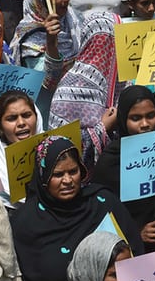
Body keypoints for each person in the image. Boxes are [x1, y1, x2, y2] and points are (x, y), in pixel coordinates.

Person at [12, 137, 143, 281]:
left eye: (73, 171)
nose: (68, 180)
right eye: (57, 174)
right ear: (43, 176)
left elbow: (136, 255)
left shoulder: (103, 202)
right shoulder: (26, 223)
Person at [92, 85, 155, 244]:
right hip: (133, 251)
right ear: (123, 120)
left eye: (150, 115)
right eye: (136, 118)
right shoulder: (110, 162)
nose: (145, 124)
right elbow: (102, 217)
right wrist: (137, 233)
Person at [48, 12, 123, 172]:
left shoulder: (123, 83)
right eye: (102, 43)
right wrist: (103, 128)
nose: (109, 51)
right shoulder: (69, 89)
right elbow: (58, 145)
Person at [0, 90, 44, 208]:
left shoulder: (55, 148)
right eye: (12, 118)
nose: (21, 123)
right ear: (0, 127)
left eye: (27, 115)